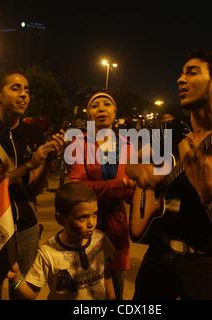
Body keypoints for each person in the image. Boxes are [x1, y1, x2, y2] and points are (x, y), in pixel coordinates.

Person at [126, 49, 212, 299]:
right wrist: (141, 171)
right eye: (180, 73)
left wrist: (207, 191)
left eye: (192, 72)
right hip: (158, 253)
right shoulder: (170, 129)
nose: (180, 79)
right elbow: (129, 162)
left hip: (206, 265)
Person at [0, 69, 64, 299]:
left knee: (23, 293)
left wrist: (47, 161)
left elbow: (34, 190)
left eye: (27, 90)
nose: (24, 94)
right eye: (15, 88)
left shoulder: (32, 132)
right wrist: (29, 165)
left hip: (26, 227)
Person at [67, 90, 134, 299]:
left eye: (107, 104)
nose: (102, 109)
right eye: (95, 106)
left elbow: (132, 192)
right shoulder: (80, 145)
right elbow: (76, 186)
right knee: (87, 289)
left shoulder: (127, 146)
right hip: (86, 226)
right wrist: (119, 184)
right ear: (89, 114)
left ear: (115, 111)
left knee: (117, 288)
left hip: (117, 226)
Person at [7, 182, 116, 299]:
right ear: (60, 219)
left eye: (94, 214)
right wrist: (17, 278)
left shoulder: (100, 239)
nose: (91, 223)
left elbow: (106, 273)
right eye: (82, 217)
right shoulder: (48, 253)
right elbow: (32, 293)